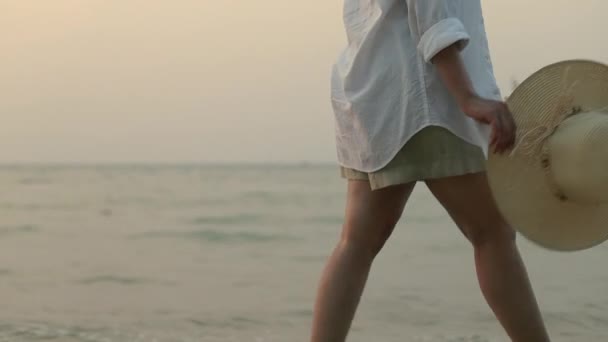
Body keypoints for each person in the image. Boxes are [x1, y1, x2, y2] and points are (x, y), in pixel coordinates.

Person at [310, 1, 551, 341]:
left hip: (373, 97)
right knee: (492, 234)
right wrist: (468, 98)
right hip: (430, 99)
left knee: (356, 243)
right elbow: (432, 17)